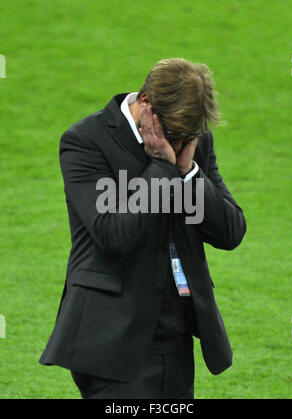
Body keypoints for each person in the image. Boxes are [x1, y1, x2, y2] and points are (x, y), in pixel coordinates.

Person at [39, 58, 246, 399]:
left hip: (175, 338)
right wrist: (162, 169)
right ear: (146, 103)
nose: (179, 144)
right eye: (174, 135)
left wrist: (189, 172)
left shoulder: (192, 141)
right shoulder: (86, 142)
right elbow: (114, 234)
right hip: (111, 340)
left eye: (187, 137)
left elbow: (231, 233)